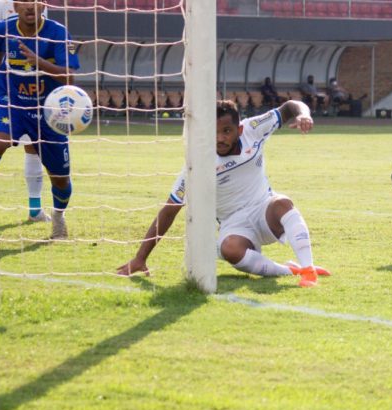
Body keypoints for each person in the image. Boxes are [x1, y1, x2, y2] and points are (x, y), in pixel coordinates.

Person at [116, 99, 330, 288]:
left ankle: (308, 269)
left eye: (226, 131)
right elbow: (170, 209)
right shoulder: (197, 164)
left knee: (283, 203)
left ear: (238, 130)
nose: (219, 138)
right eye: (214, 132)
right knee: (230, 249)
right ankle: (290, 271)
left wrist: (304, 114)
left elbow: (290, 106)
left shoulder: (253, 128)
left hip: (264, 209)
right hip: (234, 223)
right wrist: (139, 258)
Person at [0, 0, 79, 241]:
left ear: (43, 6)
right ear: (15, 7)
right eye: (24, 4)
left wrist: (36, 61)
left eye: (35, 3)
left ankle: (58, 217)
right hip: (12, 102)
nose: (30, 8)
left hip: (47, 112)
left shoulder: (58, 33)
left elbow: (70, 76)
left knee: (60, 178)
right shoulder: (3, 28)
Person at [0, 0, 51, 225]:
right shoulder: (0, 7)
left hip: (32, 90)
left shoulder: (41, 6)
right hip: (4, 90)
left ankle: (35, 209)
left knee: (33, 146)